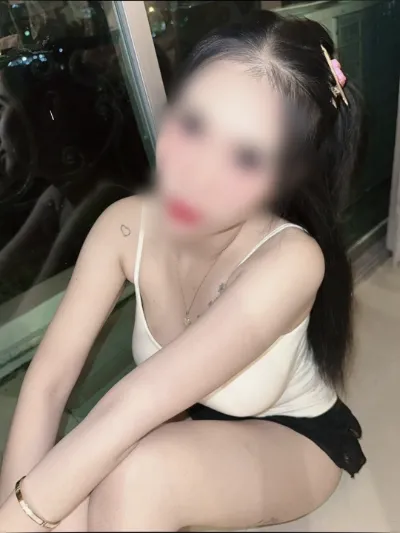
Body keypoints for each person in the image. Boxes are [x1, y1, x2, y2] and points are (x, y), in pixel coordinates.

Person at [0, 10, 366, 532]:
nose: (198, 172)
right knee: (66, 494)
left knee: (135, 476)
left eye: (246, 157)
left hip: (293, 437)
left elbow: (135, 403)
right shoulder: (124, 227)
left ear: (286, 177)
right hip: (185, 423)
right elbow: (48, 383)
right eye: (194, 124)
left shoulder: (292, 260)